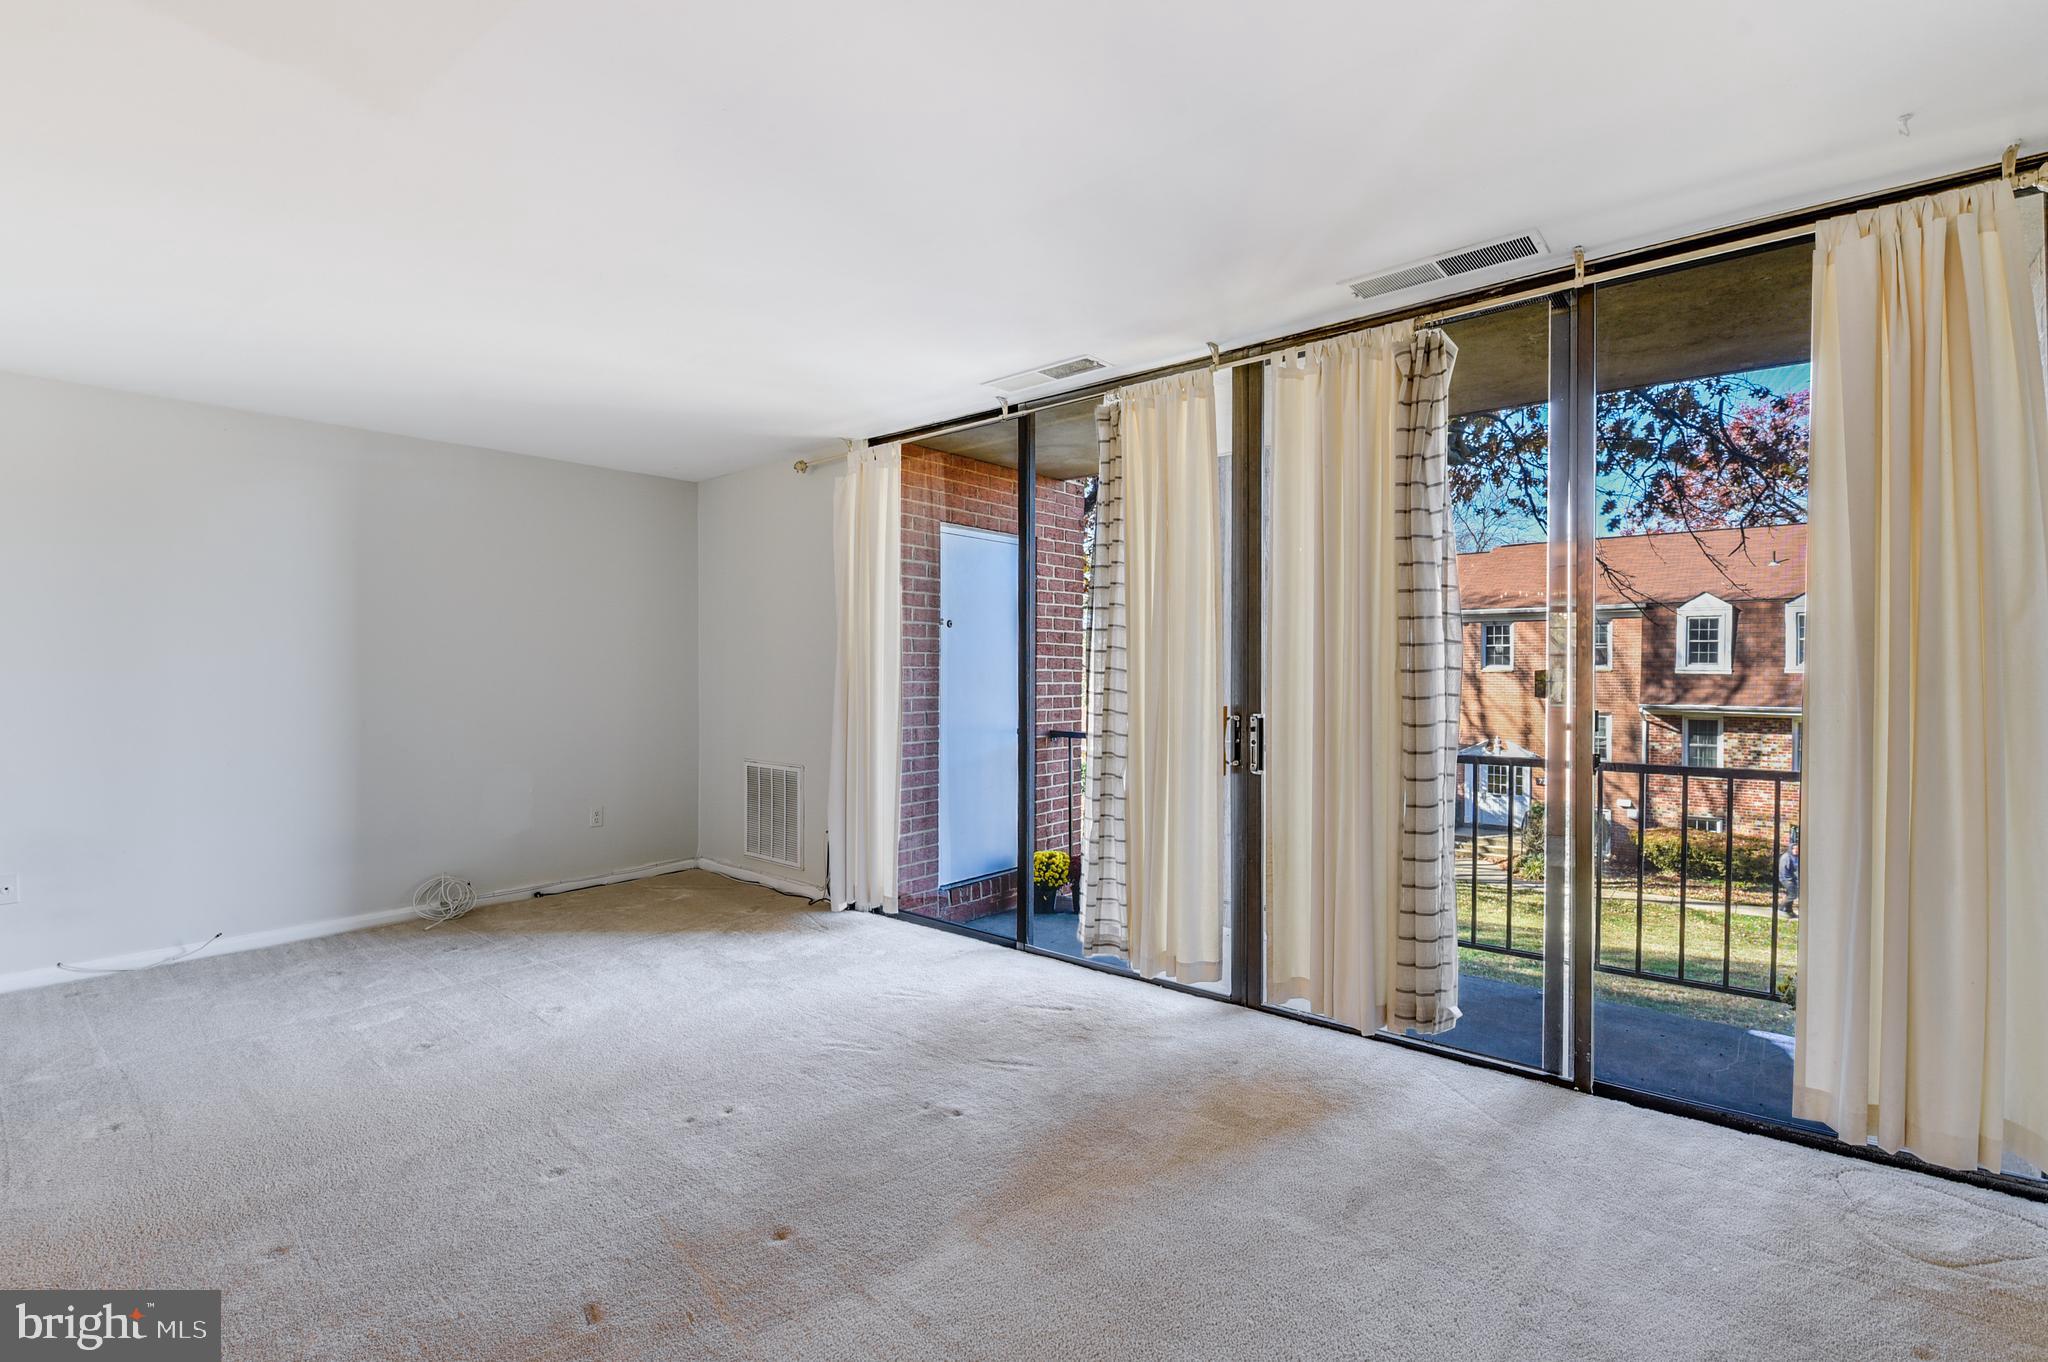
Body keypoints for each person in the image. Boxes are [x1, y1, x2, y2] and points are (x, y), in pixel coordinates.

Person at [1778, 831, 1799, 919]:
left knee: (1791, 893)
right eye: (1794, 849)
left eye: (1797, 849)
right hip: (1785, 878)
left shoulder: (1796, 857)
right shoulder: (1786, 857)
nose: (1796, 850)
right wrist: (1789, 879)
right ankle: (1780, 907)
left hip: (1793, 878)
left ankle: (1789, 910)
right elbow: (1783, 870)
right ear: (1791, 849)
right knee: (1793, 894)